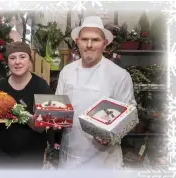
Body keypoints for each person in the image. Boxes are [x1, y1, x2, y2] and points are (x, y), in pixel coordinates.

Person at [55, 16, 137, 169]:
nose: (89, 45)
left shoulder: (119, 75)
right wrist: (53, 119)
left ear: (105, 44)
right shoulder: (67, 72)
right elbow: (60, 107)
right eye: (84, 39)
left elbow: (130, 117)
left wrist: (112, 135)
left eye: (95, 40)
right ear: (77, 42)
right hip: (70, 156)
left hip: (104, 160)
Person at [0, 42, 52, 168]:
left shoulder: (41, 86)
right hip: (4, 155)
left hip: (32, 155)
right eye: (12, 58)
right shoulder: (0, 87)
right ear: (8, 62)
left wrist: (21, 114)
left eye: (22, 57)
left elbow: (42, 127)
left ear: (30, 60)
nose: (17, 62)